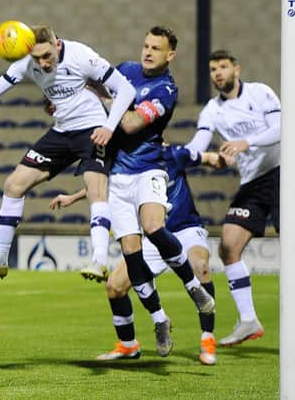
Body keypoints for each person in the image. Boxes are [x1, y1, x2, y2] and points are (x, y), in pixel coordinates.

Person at [0, 23, 136, 281]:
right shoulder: (25, 63)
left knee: (95, 189)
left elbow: (126, 90)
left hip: (92, 129)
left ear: (57, 44)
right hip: (60, 132)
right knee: (13, 185)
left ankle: (100, 261)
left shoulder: (82, 56)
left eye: (47, 56)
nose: (43, 63)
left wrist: (109, 127)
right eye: (37, 58)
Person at [50, 145, 224, 365]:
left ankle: (207, 339)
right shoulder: (127, 163)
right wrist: (73, 197)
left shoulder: (172, 154)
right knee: (115, 286)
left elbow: (206, 157)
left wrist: (222, 159)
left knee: (200, 266)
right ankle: (128, 344)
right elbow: (108, 184)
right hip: (151, 237)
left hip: (184, 229)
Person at [186, 49, 280, 346]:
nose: (217, 73)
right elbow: (199, 142)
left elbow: (281, 128)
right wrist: (181, 154)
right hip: (252, 182)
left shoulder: (260, 93)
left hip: (281, 173)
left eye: (223, 67)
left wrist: (245, 142)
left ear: (236, 69)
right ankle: (249, 320)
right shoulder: (212, 110)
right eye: (213, 68)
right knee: (228, 246)